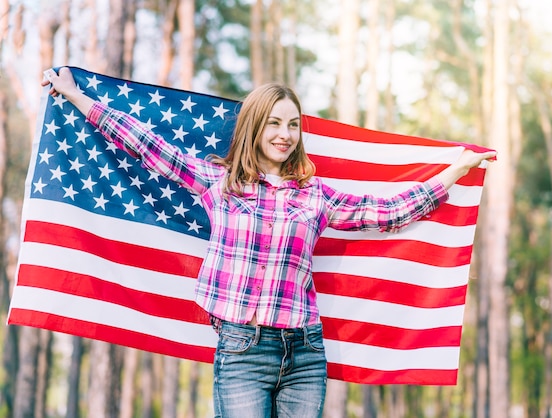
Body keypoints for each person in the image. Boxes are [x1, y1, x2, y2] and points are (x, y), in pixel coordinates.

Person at [42, 67, 496, 418]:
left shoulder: (315, 195)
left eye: (293, 124)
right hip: (243, 351)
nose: (284, 134)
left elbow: (386, 213)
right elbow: (145, 144)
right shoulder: (218, 182)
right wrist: (78, 98)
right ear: (255, 127)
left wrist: (454, 173)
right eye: (275, 123)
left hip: (305, 352)